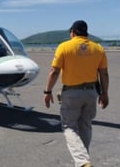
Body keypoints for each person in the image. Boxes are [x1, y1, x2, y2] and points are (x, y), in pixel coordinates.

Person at [44, 20, 109, 167]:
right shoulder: (98, 48)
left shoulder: (64, 46)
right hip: (91, 92)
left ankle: (83, 162)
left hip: (72, 93)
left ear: (73, 32)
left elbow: (54, 71)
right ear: (85, 33)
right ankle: (83, 162)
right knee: (85, 125)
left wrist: (48, 91)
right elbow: (104, 73)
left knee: (69, 127)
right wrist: (105, 93)